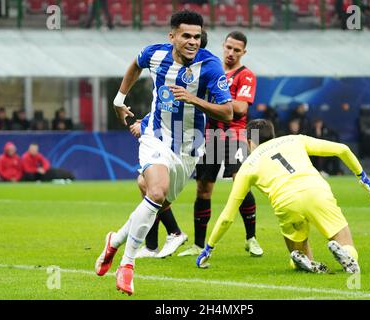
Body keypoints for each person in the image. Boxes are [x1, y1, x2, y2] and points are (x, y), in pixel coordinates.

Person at [94, 10, 233, 295]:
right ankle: (127, 265)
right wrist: (120, 99)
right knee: (155, 192)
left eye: (197, 36)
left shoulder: (211, 67)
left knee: (155, 198)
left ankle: (115, 240)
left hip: (189, 148)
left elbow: (228, 112)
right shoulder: (156, 54)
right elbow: (135, 63)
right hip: (156, 137)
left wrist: (194, 99)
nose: (192, 41)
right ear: (172, 36)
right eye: (186, 36)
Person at [196, 119, 370, 274]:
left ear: (249, 140)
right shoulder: (294, 140)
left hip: (286, 203)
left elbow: (228, 215)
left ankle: (302, 260)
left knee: (297, 251)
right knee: (345, 242)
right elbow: (342, 149)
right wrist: (362, 176)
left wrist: (209, 247)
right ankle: (346, 253)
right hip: (316, 191)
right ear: (272, 134)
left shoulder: (248, 166)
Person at [178, 30, 261, 257]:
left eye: (237, 50)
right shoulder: (211, 70)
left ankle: (251, 238)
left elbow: (241, 109)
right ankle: (197, 244)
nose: (231, 53)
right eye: (228, 48)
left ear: (244, 52)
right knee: (203, 189)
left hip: (234, 135)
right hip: (208, 136)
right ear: (223, 46)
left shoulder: (246, 76)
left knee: (240, 183)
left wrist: (213, 100)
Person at [131, 29, 210, 259]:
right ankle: (156, 243)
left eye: (196, 42)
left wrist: (145, 123)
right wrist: (146, 122)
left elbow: (184, 111)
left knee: (207, 190)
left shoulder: (205, 73)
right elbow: (166, 107)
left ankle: (194, 240)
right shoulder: (169, 65)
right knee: (147, 185)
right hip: (171, 138)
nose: (191, 45)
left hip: (195, 141)